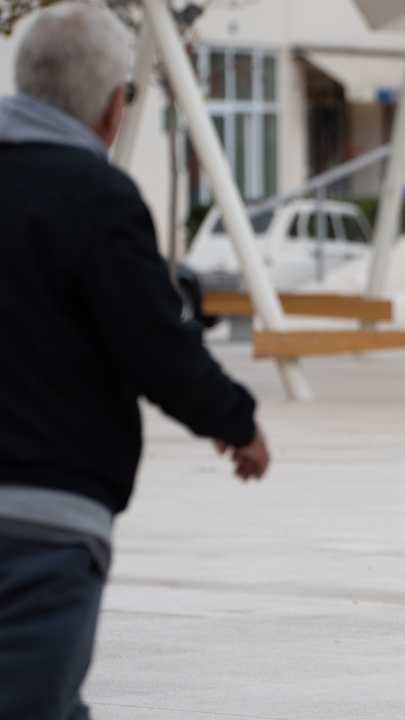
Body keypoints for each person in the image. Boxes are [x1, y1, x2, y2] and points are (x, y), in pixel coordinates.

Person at [0, 6, 269, 718]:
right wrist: (236, 423)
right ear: (114, 106)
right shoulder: (94, 195)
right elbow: (152, 340)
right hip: (44, 513)